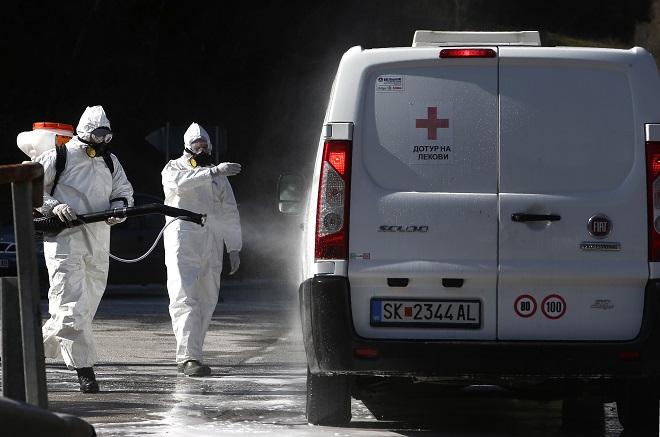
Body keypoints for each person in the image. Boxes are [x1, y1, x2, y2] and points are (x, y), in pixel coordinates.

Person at [36, 105, 134, 393]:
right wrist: (55, 206)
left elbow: (123, 191)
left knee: (84, 309)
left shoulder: (111, 161)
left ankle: (23, 351)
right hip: (65, 241)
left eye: (107, 135)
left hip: (100, 240)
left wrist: (120, 208)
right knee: (69, 307)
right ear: (85, 132)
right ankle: (85, 370)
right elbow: (31, 186)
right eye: (99, 134)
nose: (103, 141)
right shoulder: (60, 157)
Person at [161, 122, 242, 377]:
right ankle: (187, 358)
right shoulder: (174, 168)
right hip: (183, 239)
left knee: (207, 299)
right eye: (197, 145)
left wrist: (234, 247)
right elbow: (181, 183)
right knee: (184, 298)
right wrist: (215, 171)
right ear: (187, 146)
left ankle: (195, 353)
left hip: (212, 240)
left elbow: (229, 210)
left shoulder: (217, 176)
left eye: (205, 145)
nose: (201, 148)